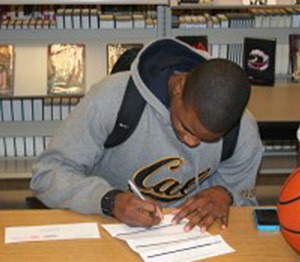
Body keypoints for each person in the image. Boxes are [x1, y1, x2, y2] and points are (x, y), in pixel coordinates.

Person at [30, 38, 263, 232]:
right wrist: (110, 201)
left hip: (184, 237)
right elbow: (48, 173)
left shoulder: (243, 131)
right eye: (187, 128)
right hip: (106, 223)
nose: (192, 143)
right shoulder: (111, 99)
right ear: (179, 86)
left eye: (208, 139)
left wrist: (226, 194)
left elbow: (244, 200)